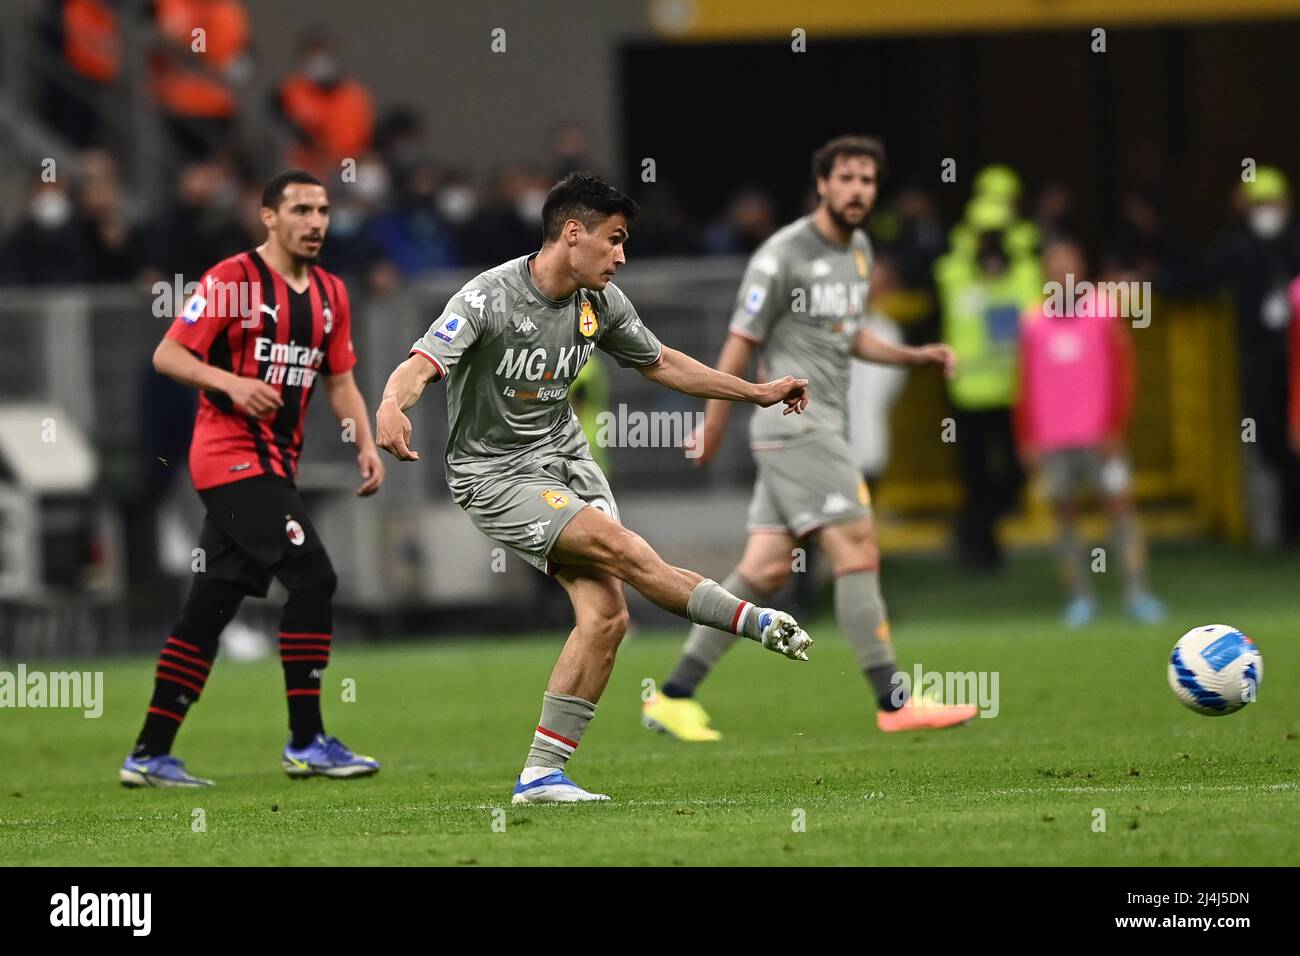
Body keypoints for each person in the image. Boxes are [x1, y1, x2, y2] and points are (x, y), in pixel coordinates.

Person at [375, 172, 814, 803]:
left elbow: (660, 361)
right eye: (614, 240)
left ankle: (541, 776)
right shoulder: (487, 297)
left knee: (607, 618)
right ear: (573, 233)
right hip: (495, 475)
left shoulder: (599, 303)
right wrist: (392, 403)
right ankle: (757, 622)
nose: (622, 255)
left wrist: (756, 393)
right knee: (626, 551)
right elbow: (422, 365)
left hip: (566, 459)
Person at [645, 136, 977, 743]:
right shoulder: (782, 255)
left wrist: (913, 355)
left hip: (814, 432)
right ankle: (894, 700)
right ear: (821, 184)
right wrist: (714, 421)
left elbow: (844, 337)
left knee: (766, 569)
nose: (858, 190)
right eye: (846, 177)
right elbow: (742, 339)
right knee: (857, 549)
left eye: (868, 180)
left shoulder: (858, 251)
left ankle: (674, 695)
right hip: (799, 425)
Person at [119, 170, 385, 787]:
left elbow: (339, 380)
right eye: (299, 209)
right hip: (230, 458)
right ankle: (307, 741)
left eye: (321, 209)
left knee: (209, 609)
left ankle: (149, 753)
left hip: (273, 463)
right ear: (268, 217)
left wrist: (363, 441)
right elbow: (169, 354)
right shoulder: (231, 280)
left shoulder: (331, 294)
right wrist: (231, 382)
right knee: (313, 577)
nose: (315, 221)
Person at [1015, 239, 1166, 626]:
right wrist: (1027, 436)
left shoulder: (1104, 314)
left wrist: (1115, 427)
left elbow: (1123, 374)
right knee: (1064, 516)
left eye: (1069, 262)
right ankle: (1080, 598)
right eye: (1054, 263)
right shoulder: (1032, 322)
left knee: (1119, 508)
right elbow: (1024, 384)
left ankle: (1138, 593)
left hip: (1100, 438)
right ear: (1045, 272)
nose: (1062, 270)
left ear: (1081, 268)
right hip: (1052, 440)